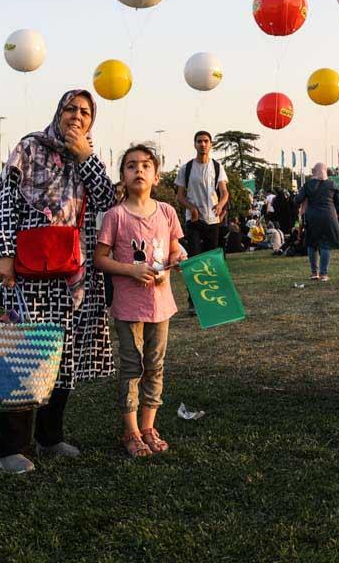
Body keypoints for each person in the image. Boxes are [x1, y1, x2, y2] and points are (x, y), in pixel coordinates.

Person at [0, 89, 116, 475]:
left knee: (63, 354)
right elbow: (7, 202)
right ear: (58, 112)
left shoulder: (87, 158)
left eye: (85, 112)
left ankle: (49, 436)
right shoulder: (29, 148)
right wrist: (6, 254)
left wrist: (86, 158)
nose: (77, 117)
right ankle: (10, 448)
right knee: (23, 351)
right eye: (70, 109)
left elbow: (108, 201)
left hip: (74, 275)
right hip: (30, 269)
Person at [94, 144, 186, 458]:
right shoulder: (115, 216)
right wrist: (131, 270)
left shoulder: (167, 212)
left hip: (161, 305)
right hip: (128, 306)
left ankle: (149, 426)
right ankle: (131, 431)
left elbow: (175, 251)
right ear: (123, 175)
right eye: (131, 166)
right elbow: (100, 259)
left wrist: (175, 262)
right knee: (132, 367)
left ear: (157, 176)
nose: (139, 171)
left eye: (146, 166)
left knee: (155, 366)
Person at [174, 131, 230, 259]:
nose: (202, 144)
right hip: (194, 220)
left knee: (211, 258)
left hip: (212, 219)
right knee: (195, 258)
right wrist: (192, 208)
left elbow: (224, 192)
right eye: (199, 141)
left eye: (206, 141)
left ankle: (212, 280)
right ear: (195, 145)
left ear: (211, 145)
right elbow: (180, 196)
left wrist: (221, 205)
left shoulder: (217, 166)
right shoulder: (186, 168)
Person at [295, 163, 339, 282]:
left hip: (312, 216)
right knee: (325, 244)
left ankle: (314, 273)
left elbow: (298, 200)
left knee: (312, 244)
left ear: (315, 171)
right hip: (328, 216)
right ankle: (324, 274)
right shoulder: (333, 184)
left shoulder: (308, 185)